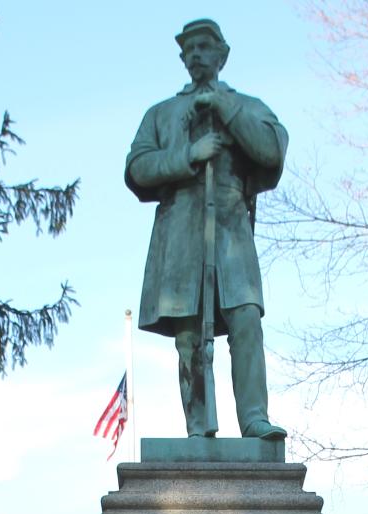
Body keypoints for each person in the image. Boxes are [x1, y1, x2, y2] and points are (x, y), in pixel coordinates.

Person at [125, 19, 287, 440]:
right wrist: (189, 155)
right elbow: (138, 167)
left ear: (222, 54)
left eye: (204, 46)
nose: (196, 54)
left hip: (231, 227)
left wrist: (225, 111)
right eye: (189, 49)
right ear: (182, 58)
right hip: (180, 232)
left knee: (246, 318)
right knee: (188, 336)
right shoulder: (161, 114)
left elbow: (271, 151)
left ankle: (255, 419)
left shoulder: (247, 106)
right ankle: (199, 429)